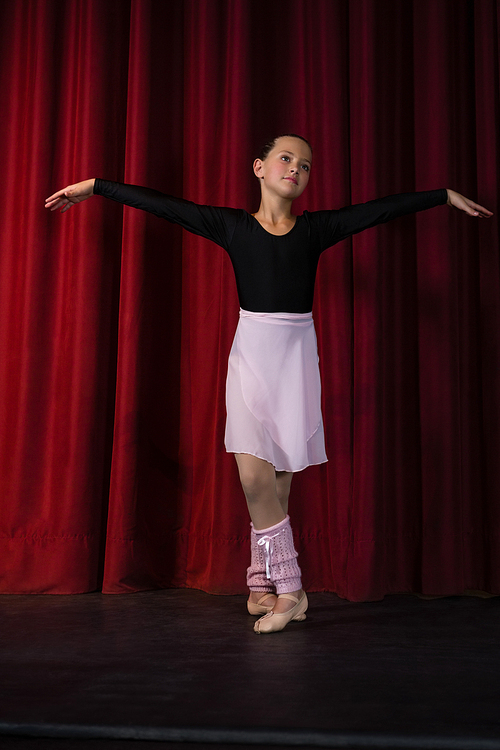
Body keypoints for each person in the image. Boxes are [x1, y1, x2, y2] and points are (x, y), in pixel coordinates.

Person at [45, 134, 493, 633]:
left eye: (305, 164)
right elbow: (167, 207)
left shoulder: (315, 230)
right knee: (254, 477)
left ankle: (262, 579)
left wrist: (441, 196)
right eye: (286, 158)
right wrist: (97, 187)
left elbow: (378, 210)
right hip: (253, 355)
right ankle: (292, 588)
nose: (295, 169)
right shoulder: (233, 227)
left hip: (297, 358)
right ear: (258, 167)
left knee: (278, 482)